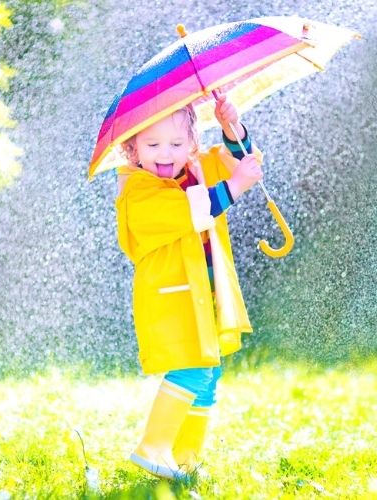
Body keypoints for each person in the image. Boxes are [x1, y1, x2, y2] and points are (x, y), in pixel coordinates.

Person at [114, 94, 263, 480]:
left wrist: (233, 128)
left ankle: (185, 460)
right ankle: (153, 446)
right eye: (152, 145)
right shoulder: (137, 190)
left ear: (192, 144)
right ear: (131, 149)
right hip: (172, 301)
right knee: (192, 371)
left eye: (177, 144)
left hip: (207, 297)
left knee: (208, 375)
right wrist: (235, 186)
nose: (166, 153)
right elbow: (194, 211)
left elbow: (242, 163)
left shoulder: (196, 168)